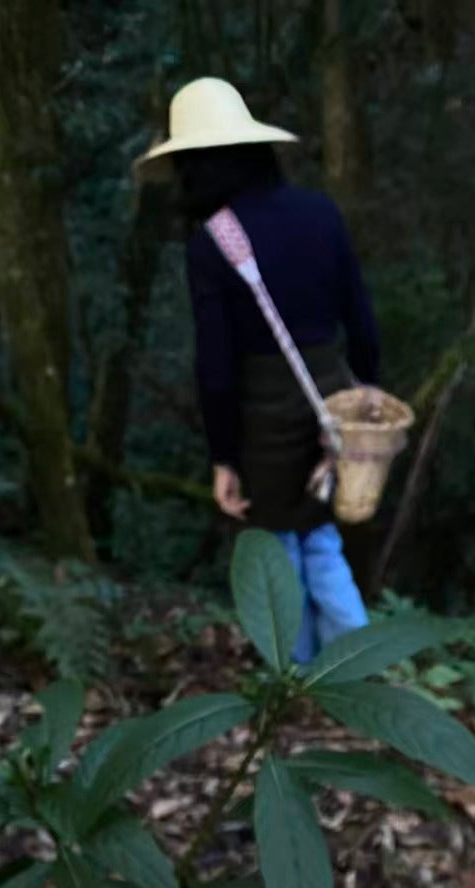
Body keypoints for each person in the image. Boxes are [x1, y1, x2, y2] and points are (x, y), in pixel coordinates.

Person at [138, 78, 379, 663]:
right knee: (321, 538)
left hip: (262, 412)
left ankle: (292, 680)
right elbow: (362, 319)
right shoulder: (320, 214)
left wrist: (222, 457)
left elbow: (215, 366)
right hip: (331, 397)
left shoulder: (209, 246)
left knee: (276, 549)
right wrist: (365, 396)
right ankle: (356, 675)